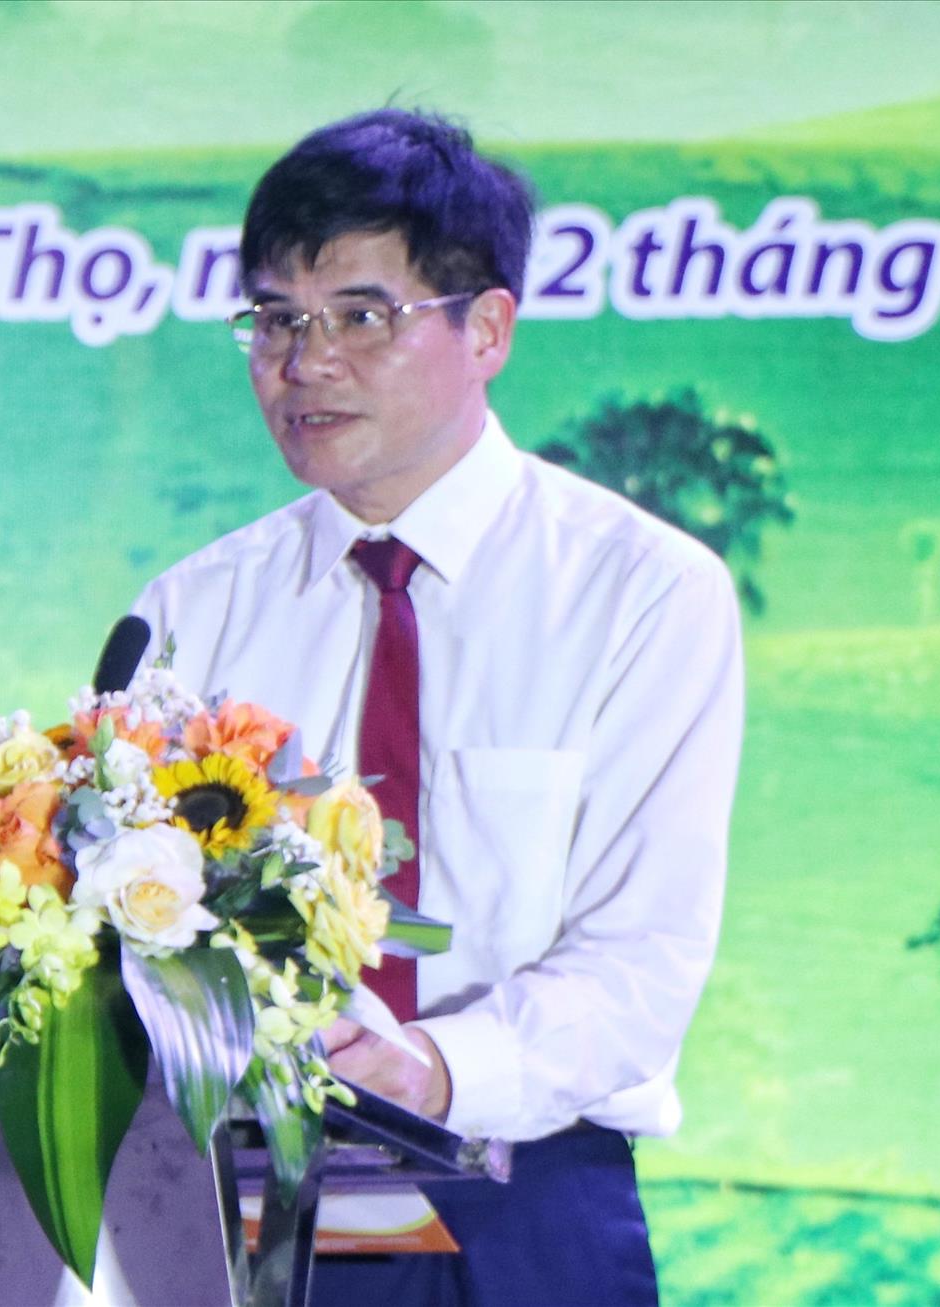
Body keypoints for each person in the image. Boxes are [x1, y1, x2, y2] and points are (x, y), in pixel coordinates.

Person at [129, 108, 744, 1304]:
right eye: (275, 319)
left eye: (362, 316)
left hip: (521, 1193)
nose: (307, 362)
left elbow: (642, 959)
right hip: (245, 1196)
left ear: (489, 328)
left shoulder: (642, 592)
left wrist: (430, 1066)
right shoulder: (190, 612)